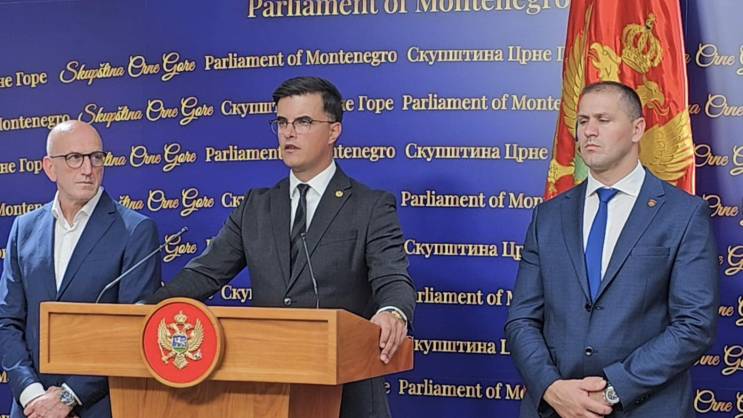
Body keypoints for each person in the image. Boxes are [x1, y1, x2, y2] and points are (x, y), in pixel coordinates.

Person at [144, 76, 416, 418]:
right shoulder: (256, 206)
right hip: (268, 391)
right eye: (282, 123)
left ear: (333, 131)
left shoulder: (370, 206)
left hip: (346, 394)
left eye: (303, 122)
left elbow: (393, 278)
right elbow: (205, 274)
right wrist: (146, 310)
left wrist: (393, 311)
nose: (289, 133)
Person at [505, 81, 718, 418]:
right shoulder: (548, 215)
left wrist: (612, 389)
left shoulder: (684, 214)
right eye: (583, 121)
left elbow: (694, 325)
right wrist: (551, 388)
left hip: (645, 408)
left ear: (637, 129)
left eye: (603, 120)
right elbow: (522, 319)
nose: (589, 131)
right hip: (556, 408)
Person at [0, 120, 162, 418]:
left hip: (97, 408)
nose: (88, 169)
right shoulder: (24, 228)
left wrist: (68, 397)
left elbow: (133, 331)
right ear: (50, 167)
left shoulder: (136, 230)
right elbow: (7, 321)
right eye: (75, 158)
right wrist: (32, 394)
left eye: (96, 157)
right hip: (31, 408)